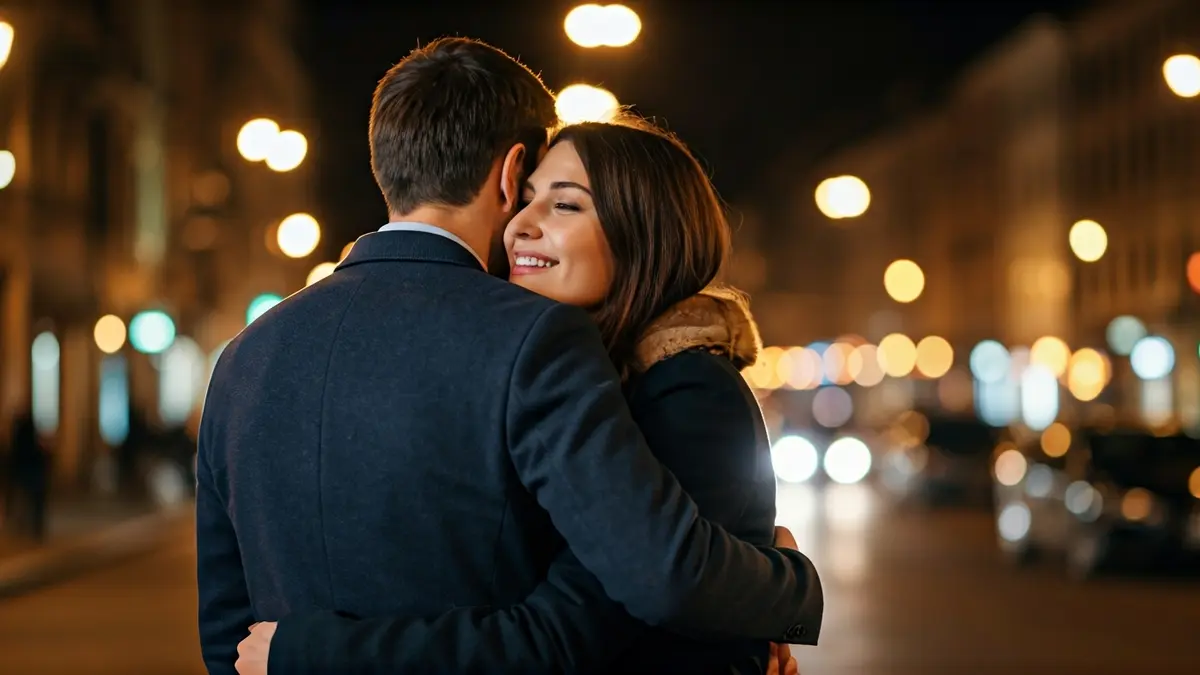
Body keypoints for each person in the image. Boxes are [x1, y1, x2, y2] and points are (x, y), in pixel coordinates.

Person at [197, 37, 821, 675]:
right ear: (508, 172)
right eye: (528, 194)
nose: (525, 222)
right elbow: (593, 616)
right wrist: (789, 589)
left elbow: (228, 636)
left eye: (564, 203)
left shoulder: (243, 356)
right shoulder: (534, 340)